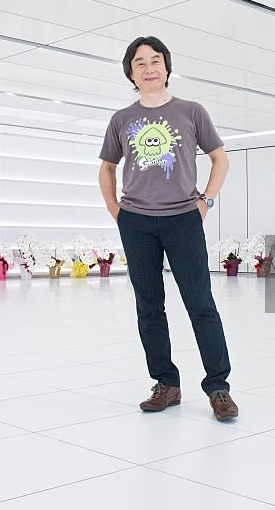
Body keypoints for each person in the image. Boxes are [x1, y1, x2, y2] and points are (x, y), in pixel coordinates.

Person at [98, 36, 239, 421]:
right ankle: (166, 384)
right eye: (140, 63)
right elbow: (107, 168)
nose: (149, 68)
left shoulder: (191, 112)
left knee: (201, 304)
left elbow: (219, 159)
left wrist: (205, 201)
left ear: (167, 67)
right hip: (136, 222)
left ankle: (218, 388)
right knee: (149, 307)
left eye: (155, 60)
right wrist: (117, 211)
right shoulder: (121, 120)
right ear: (131, 73)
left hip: (183, 220)